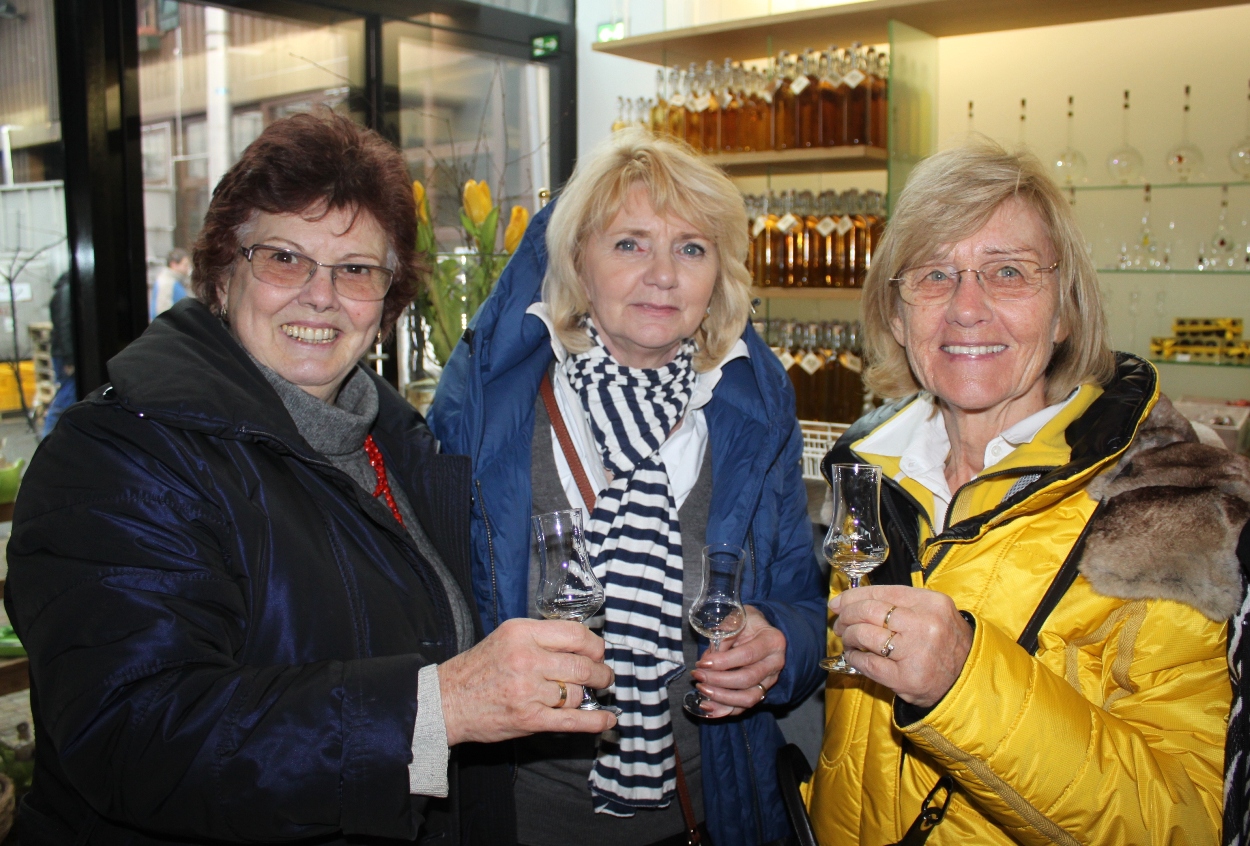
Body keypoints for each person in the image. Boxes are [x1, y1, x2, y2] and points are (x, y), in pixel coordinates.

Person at [4, 111, 615, 846]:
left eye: (355, 269)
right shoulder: (118, 455)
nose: (321, 295)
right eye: (284, 258)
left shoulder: (397, 443)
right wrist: (438, 705)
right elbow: (133, 733)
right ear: (223, 274)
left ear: (387, 303)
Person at [805, 140, 1250, 845]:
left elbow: (1187, 820)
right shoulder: (870, 475)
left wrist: (965, 682)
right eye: (934, 275)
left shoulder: (1165, 508)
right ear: (896, 315)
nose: (966, 309)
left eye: (1008, 271)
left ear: (1065, 311)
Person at [429, 127, 826, 846]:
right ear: (579, 264)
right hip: (521, 820)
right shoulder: (489, 414)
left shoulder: (751, 411)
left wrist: (780, 645)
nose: (664, 275)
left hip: (709, 813)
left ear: (719, 277)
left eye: (691, 249)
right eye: (629, 244)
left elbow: (803, 602)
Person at [43, 270, 75, 435]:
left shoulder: (64, 290)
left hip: (64, 352)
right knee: (66, 396)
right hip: (66, 355)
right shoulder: (68, 291)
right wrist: (70, 359)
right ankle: (48, 438)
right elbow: (64, 324)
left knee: (68, 395)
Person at [149, 247, 191, 318]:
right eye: (185, 265)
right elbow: (162, 311)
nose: (188, 268)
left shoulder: (176, 281)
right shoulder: (166, 282)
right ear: (173, 264)